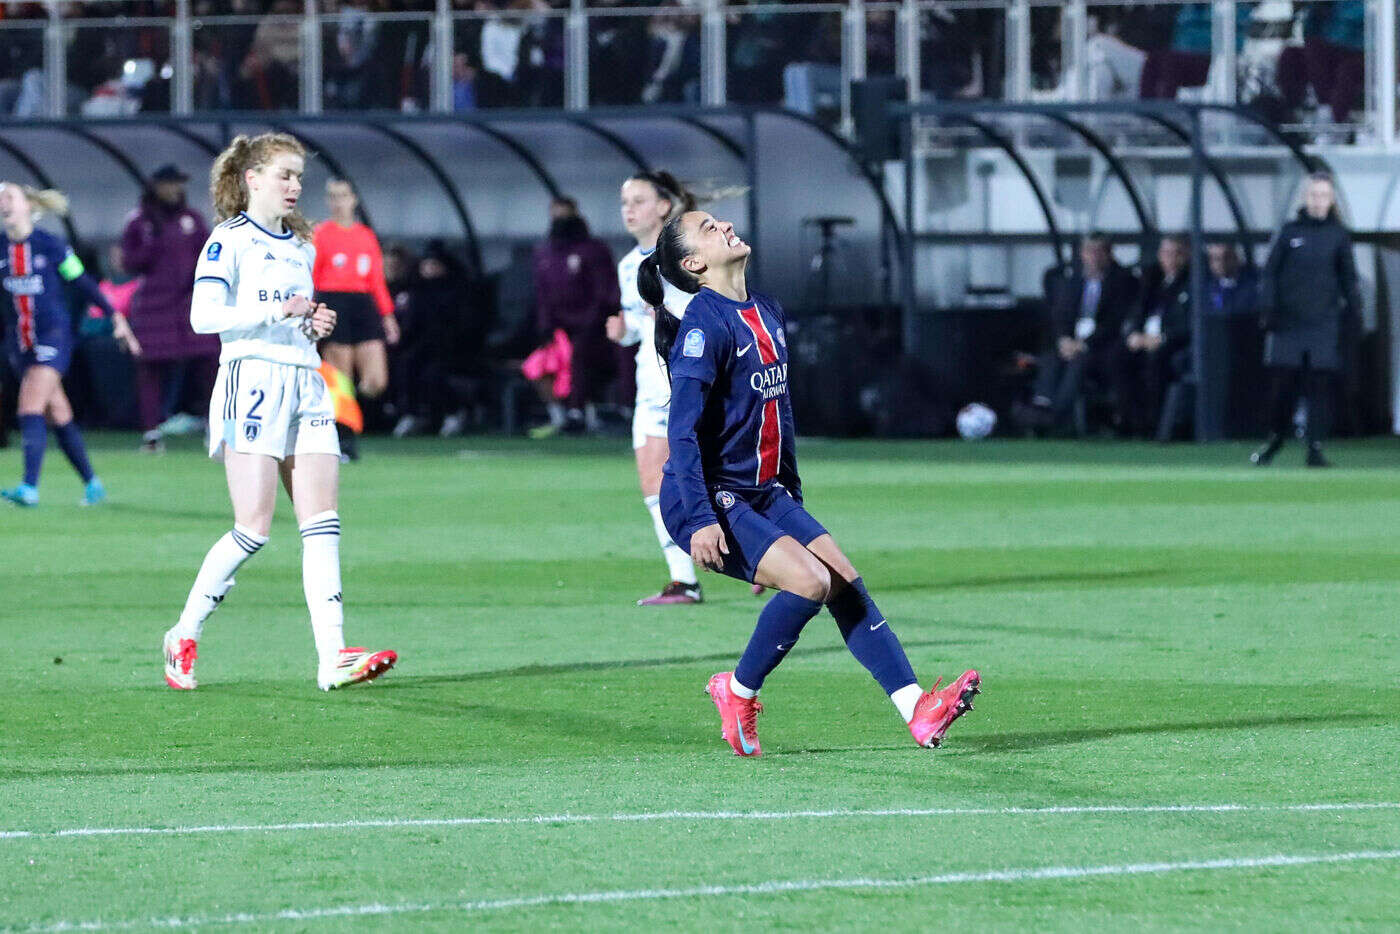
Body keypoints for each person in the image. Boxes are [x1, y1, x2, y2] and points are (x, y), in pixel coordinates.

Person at [643, 209, 980, 756]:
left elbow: (781, 413)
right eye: (708, 228)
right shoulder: (704, 325)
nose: (724, 225)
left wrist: (789, 507)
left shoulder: (767, 309)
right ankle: (736, 690)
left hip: (762, 491)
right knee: (811, 584)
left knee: (842, 578)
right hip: (703, 494)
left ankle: (917, 709)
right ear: (694, 263)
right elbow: (680, 435)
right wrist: (705, 521)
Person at [162, 132, 396, 692]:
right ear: (252, 180)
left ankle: (333, 656)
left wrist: (312, 323)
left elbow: (293, 314)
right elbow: (202, 316)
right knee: (254, 529)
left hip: (305, 382)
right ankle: (184, 632)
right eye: (285, 175)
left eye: (298, 177)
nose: (295, 186)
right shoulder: (228, 240)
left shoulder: (300, 245)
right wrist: (276, 309)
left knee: (323, 522)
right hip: (253, 382)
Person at [0, 183, 140, 508]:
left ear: (27, 206)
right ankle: (92, 484)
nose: (3, 203)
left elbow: (82, 281)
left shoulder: (50, 245)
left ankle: (28, 487)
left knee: (29, 406)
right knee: (57, 413)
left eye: (9, 197)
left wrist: (113, 315)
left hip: (53, 337)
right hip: (20, 343)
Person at [607, 171, 704, 605]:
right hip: (651, 381)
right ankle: (683, 580)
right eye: (625, 201)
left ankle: (769, 554)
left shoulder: (688, 256)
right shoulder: (630, 264)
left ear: (664, 206)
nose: (628, 209)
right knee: (653, 478)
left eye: (638, 200)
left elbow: (713, 310)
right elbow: (639, 327)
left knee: (710, 476)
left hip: (688, 378)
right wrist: (623, 329)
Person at [1252, 172, 1360, 468]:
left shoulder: (1338, 236)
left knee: (1319, 387)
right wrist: (1269, 309)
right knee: (1282, 388)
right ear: (1305, 197)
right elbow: (1270, 272)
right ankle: (1275, 438)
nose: (1318, 201)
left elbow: (1348, 279)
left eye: (1324, 196)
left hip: (1323, 323)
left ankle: (1315, 447)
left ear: (1331, 200)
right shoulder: (1289, 232)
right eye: (1314, 195)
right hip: (1288, 323)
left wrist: (1354, 312)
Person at [120, 163, 219, 454]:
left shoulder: (193, 219)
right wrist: (153, 243)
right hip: (153, 305)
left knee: (210, 363)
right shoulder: (139, 221)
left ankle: (215, 427)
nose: (174, 189)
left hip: (190, 304)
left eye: (178, 184)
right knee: (149, 368)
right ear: (155, 187)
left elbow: (211, 254)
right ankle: (152, 433)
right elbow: (128, 261)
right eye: (169, 184)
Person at [312, 178, 399, 461]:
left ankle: (341, 415)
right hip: (333, 301)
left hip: (363, 305)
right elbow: (311, 276)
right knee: (341, 377)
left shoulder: (365, 235)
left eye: (343, 195)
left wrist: (387, 316)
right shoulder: (321, 234)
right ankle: (343, 440)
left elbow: (376, 280)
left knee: (376, 380)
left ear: (354, 199)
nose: (338, 201)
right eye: (333, 196)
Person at [1024, 234, 1139, 432]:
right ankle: (1042, 404)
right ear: (1081, 254)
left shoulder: (1124, 282)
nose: (1093, 257)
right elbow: (1060, 315)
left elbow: (1115, 321)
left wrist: (1085, 343)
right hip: (1071, 341)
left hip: (1100, 346)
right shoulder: (1071, 281)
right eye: (1089, 252)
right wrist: (1064, 340)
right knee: (1052, 357)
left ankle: (1058, 414)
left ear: (1109, 254)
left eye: (1099, 252)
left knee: (1080, 362)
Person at [522, 206, 617, 438]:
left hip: (592, 329)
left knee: (580, 360)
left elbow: (603, 292)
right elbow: (542, 294)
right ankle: (557, 414)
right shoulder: (544, 254)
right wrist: (546, 327)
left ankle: (578, 412)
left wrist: (591, 322)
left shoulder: (593, 251)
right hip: (557, 329)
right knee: (538, 364)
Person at [1116, 235, 1192, 436]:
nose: (1172, 259)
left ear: (1187, 255)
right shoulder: (1151, 280)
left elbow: (1190, 324)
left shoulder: (1192, 282)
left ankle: (1154, 424)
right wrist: (1133, 333)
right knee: (1118, 359)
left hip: (1170, 343)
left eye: (1178, 254)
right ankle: (1128, 421)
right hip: (1143, 339)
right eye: (1167, 253)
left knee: (1157, 362)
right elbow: (1136, 312)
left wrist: (1163, 338)